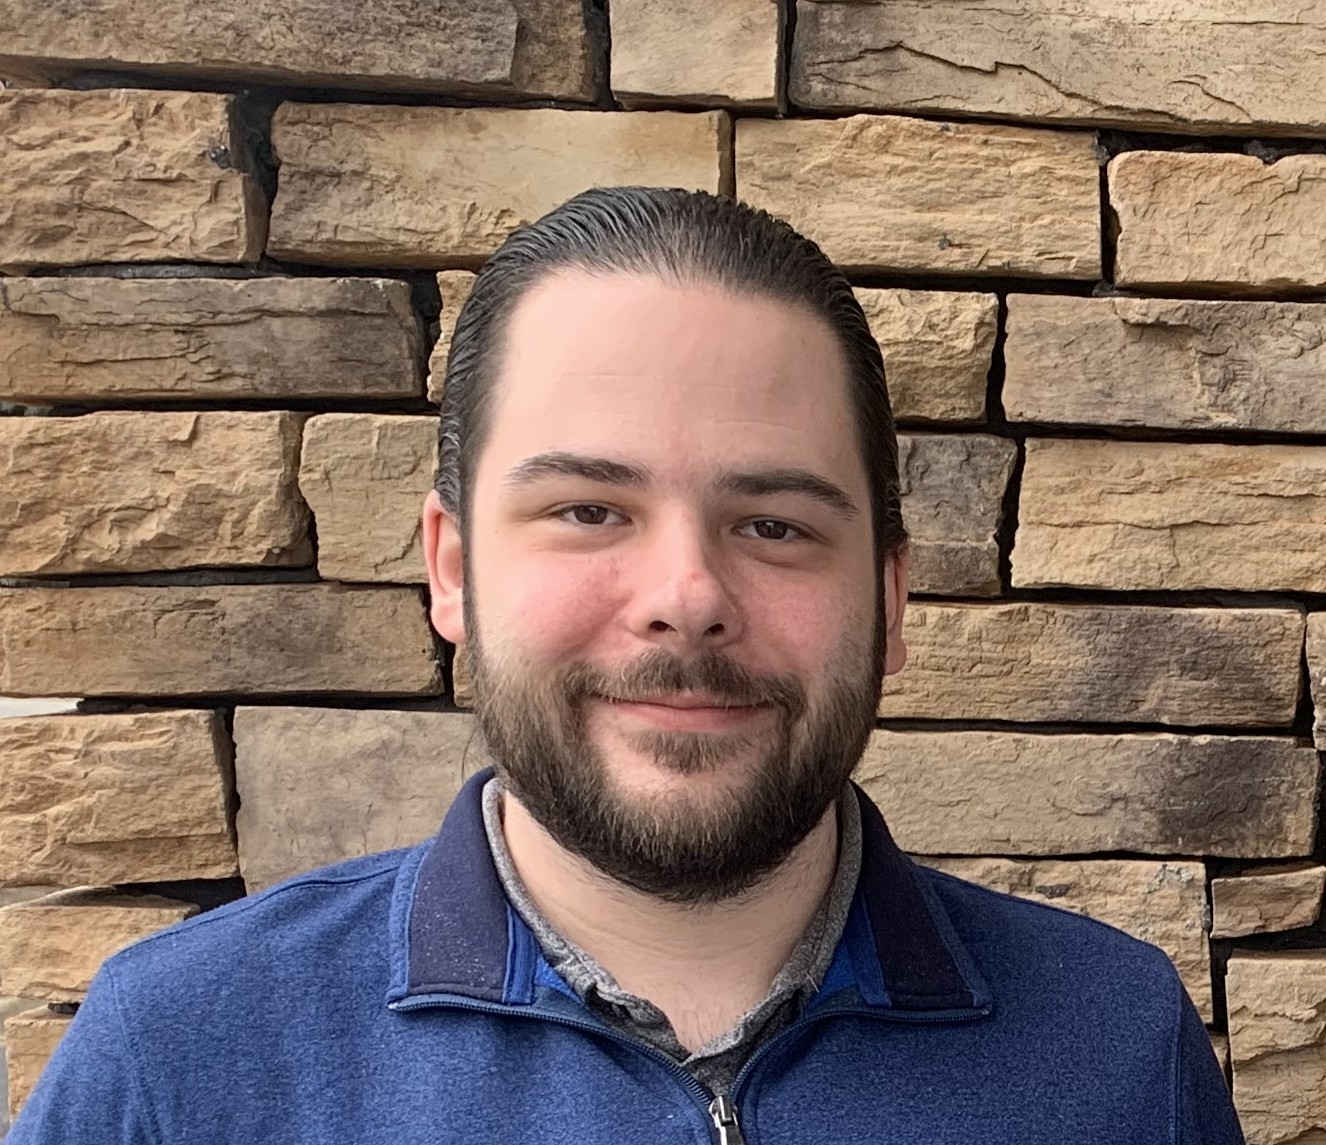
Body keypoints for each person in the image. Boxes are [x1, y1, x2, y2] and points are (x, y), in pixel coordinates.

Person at [8, 188, 1243, 1144]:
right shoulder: (183, 1056)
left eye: (774, 524)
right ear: (451, 569)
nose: (686, 597)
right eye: (590, 510)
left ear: (888, 595)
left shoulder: (1114, 1045)